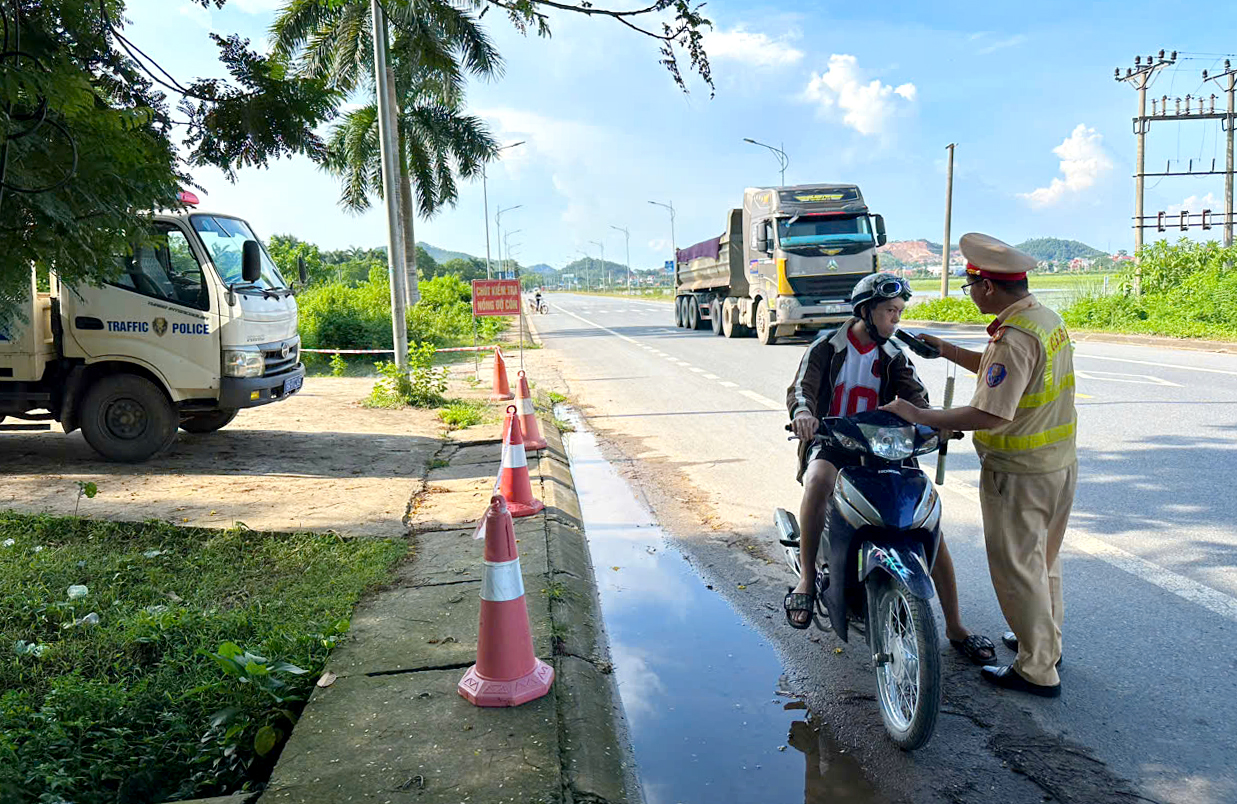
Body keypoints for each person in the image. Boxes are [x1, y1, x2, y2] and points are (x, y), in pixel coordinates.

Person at [881, 233, 1077, 698]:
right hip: (1057, 465)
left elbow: (991, 411)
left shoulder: (1013, 338)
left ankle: (1036, 670)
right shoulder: (1043, 320)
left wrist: (921, 416)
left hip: (1020, 471)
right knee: (1043, 561)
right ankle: (1045, 644)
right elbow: (1003, 374)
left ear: (987, 287)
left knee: (1016, 568)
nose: (970, 295)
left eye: (971, 287)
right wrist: (946, 350)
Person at [783, 271, 996, 665]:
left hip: (886, 445)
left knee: (927, 522)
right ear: (865, 311)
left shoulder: (894, 353)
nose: (895, 319)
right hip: (835, 441)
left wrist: (936, 422)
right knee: (817, 481)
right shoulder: (826, 347)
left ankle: (955, 626)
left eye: (899, 312)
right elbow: (802, 389)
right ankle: (808, 578)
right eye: (889, 311)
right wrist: (804, 416)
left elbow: (916, 395)